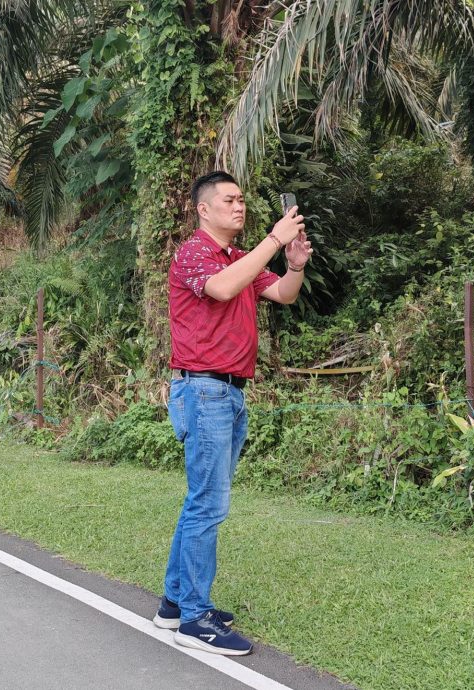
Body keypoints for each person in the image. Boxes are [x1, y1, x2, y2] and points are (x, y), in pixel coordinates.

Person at [153, 171, 311, 655]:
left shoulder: (240, 259)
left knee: (200, 499)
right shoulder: (194, 253)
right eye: (229, 200)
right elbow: (220, 290)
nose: (239, 206)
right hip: (203, 392)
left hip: (228, 393)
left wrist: (295, 264)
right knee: (208, 504)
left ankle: (175, 605)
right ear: (204, 209)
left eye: (242, 199)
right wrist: (273, 238)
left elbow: (282, 294)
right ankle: (196, 619)